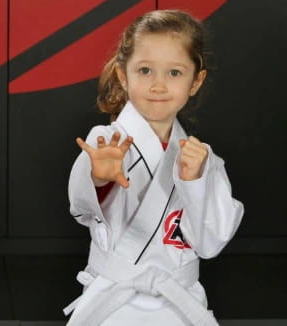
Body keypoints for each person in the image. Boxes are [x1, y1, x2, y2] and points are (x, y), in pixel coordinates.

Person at [64, 10, 243, 326]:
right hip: (114, 304)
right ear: (123, 74)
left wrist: (195, 183)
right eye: (145, 70)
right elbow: (81, 209)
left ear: (195, 81)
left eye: (174, 73)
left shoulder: (202, 160)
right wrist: (99, 179)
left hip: (179, 300)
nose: (158, 85)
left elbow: (211, 244)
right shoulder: (105, 143)